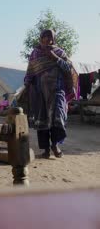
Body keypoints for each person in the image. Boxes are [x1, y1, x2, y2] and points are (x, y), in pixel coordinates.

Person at [24, 29, 78, 159]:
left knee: (58, 118)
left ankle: (55, 145)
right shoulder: (35, 54)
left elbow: (69, 68)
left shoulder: (59, 52)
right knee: (42, 119)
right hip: (39, 92)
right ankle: (46, 150)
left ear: (54, 39)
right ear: (41, 38)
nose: (48, 39)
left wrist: (55, 58)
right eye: (45, 36)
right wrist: (26, 84)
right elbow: (30, 71)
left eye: (51, 37)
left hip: (57, 91)